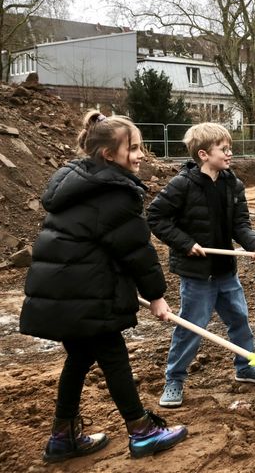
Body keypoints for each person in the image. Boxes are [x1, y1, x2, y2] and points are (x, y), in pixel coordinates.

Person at [19, 111, 187, 462]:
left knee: (79, 358)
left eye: (142, 147)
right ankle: (141, 431)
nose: (141, 155)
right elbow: (135, 251)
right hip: (86, 294)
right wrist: (157, 296)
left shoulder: (79, 181)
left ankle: (62, 437)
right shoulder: (114, 193)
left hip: (63, 290)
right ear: (109, 155)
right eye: (134, 148)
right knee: (113, 357)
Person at [147, 123, 255, 409]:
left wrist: (254, 244)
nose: (230, 153)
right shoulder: (182, 184)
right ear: (203, 154)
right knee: (191, 327)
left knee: (240, 320)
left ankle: (245, 367)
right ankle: (174, 379)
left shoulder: (233, 184)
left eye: (230, 148)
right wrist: (185, 243)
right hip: (197, 274)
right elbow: (155, 217)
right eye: (224, 149)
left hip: (225, 269)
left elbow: (240, 223)